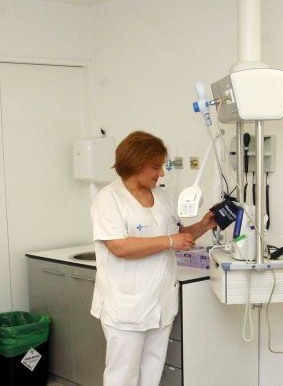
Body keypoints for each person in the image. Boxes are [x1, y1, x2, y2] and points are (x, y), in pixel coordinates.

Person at [90, 131, 217, 385]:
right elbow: (119, 247)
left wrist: (204, 225)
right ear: (136, 164)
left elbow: (177, 235)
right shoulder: (109, 198)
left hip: (160, 303)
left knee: (151, 372)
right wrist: (171, 241)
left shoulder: (162, 197)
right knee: (122, 375)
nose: (161, 174)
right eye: (156, 167)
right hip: (126, 306)